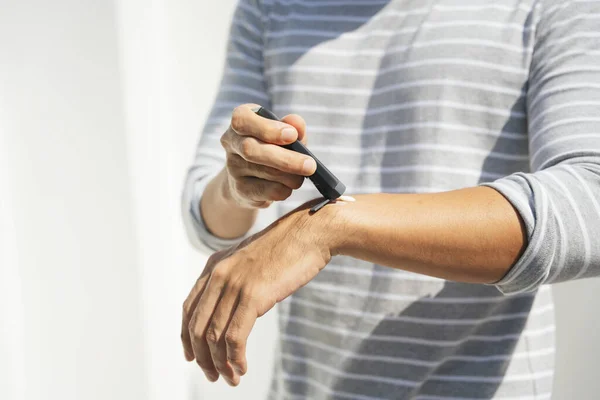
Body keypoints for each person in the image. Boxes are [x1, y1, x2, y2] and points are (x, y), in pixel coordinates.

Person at [180, 0, 600, 398]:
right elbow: (204, 214)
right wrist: (238, 185)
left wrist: (329, 227)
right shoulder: (271, 8)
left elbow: (589, 202)